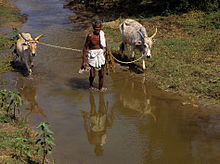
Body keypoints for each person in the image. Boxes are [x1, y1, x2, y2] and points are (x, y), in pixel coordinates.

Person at [81, 20, 107, 91]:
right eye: (96, 28)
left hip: (101, 55)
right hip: (92, 55)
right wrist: (84, 61)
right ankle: (91, 85)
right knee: (92, 75)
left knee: (101, 74)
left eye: (99, 28)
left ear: (100, 28)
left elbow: (105, 44)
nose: (97, 30)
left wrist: (107, 53)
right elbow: (85, 48)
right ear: (93, 28)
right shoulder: (90, 36)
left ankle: (100, 89)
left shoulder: (102, 34)